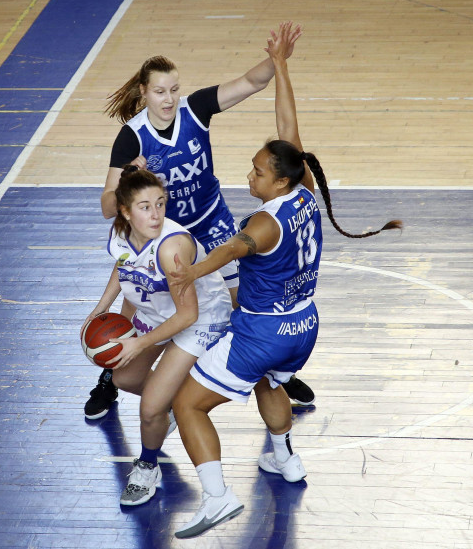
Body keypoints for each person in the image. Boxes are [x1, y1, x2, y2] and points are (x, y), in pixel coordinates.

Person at [167, 22, 402, 539]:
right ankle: (285, 459)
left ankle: (217, 497)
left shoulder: (263, 222)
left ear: (277, 181)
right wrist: (282, 66)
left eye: (255, 172)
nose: (248, 176)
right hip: (304, 326)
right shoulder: (302, 188)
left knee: (188, 404)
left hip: (263, 329)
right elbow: (288, 126)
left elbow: (229, 250)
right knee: (272, 382)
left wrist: (183, 276)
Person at [84, 27, 316, 420]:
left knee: (243, 301)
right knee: (136, 294)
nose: (169, 99)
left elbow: (251, 81)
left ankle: (271, 370)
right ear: (143, 92)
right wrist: (126, 175)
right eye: (160, 92)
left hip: (211, 223)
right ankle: (112, 374)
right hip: (165, 233)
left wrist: (279, 59)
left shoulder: (196, 109)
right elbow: (108, 206)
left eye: (174, 89)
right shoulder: (132, 138)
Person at [81, 166, 232, 507]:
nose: (156, 213)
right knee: (124, 377)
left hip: (200, 318)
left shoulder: (171, 247)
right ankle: (173, 401)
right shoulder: (120, 234)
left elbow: (188, 314)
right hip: (158, 310)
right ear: (125, 212)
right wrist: (100, 308)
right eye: (145, 206)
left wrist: (139, 342)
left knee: (150, 410)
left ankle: (148, 465)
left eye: (160, 203)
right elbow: (124, 264)